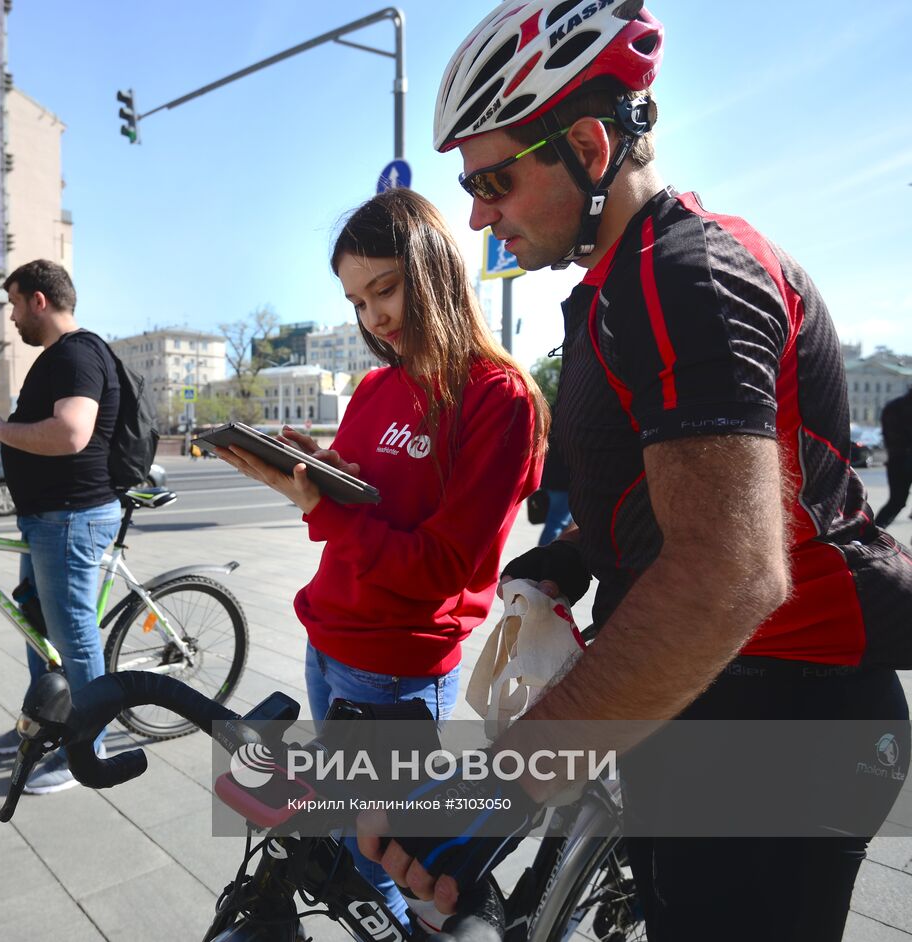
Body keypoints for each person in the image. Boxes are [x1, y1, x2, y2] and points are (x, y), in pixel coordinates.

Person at [360, 3, 912, 939]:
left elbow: (725, 574)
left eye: (493, 179)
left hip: (785, 712)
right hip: (718, 699)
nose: (475, 213)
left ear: (585, 143)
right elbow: (674, 506)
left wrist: (496, 788)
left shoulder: (684, 273)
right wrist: (575, 554)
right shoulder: (622, 282)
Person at [216, 187, 547, 925]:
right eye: (357, 302)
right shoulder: (375, 385)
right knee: (352, 839)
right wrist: (317, 466)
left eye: (386, 289)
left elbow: (439, 568)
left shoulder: (499, 399)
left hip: (396, 664)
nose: (374, 318)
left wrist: (320, 504)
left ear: (435, 271)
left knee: (382, 858)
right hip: (328, 640)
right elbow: (372, 496)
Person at [0, 259, 122, 796]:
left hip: (70, 516)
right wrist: (0, 433)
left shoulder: (76, 354)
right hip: (49, 516)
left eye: (12, 304)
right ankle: (42, 727)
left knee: (74, 637)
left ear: (38, 300)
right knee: (38, 631)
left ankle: (91, 749)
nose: (10, 317)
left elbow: (72, 433)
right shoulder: (58, 358)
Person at [874, 388, 912, 527]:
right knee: (897, 502)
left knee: (896, 502)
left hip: (896, 460)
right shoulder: (897, 407)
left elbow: (887, 436)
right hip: (901, 458)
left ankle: (869, 536)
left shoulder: (893, 407)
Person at [535, 427, 572, 545]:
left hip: (550, 478)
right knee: (557, 523)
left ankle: (544, 555)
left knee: (556, 522)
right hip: (564, 482)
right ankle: (543, 558)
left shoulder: (558, 414)